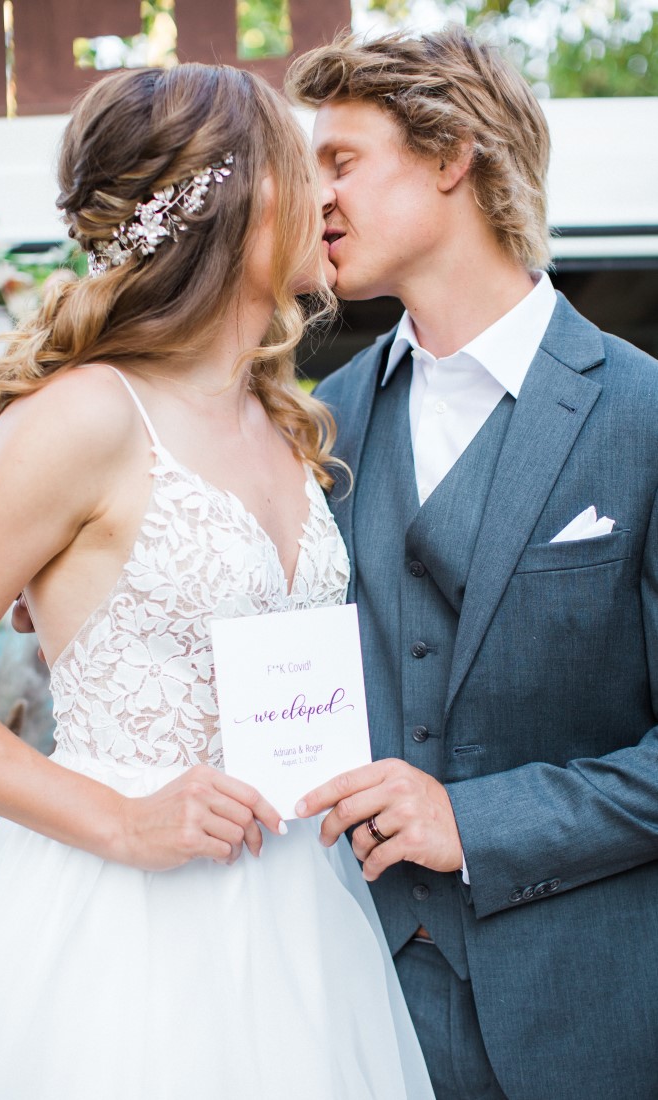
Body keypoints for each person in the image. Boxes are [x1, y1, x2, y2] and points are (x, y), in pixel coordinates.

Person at [0, 64, 434, 1099]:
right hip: (125, 928)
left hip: (304, 916)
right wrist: (121, 819)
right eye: (305, 168)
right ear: (234, 205)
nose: (328, 196)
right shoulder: (89, 417)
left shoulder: (284, 419)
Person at [286, 27, 658, 1100]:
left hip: (589, 1022)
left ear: (452, 154)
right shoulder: (317, 431)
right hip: (350, 1012)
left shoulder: (641, 413)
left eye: (341, 161)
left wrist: (474, 820)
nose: (313, 201)